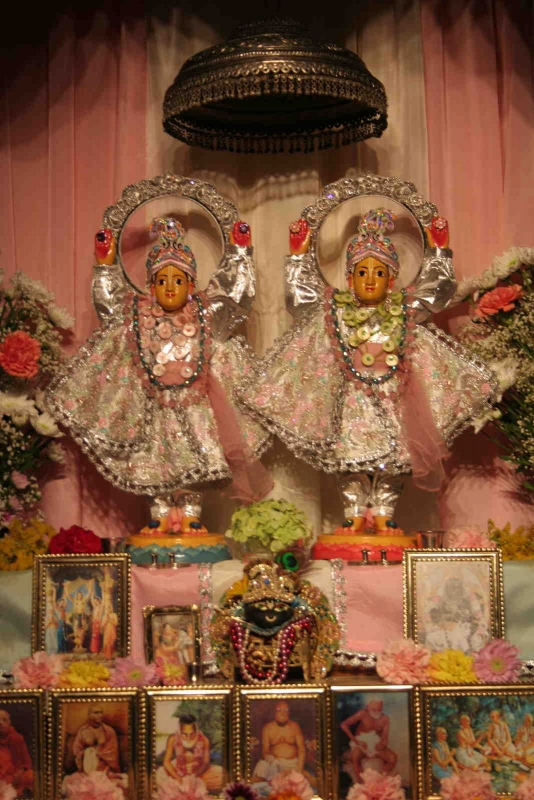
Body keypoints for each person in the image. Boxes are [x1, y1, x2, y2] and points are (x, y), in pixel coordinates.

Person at [243, 209, 496, 529]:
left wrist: (439, 251)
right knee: (350, 463)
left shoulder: (405, 310)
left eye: (379, 273)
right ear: (350, 279)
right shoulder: (335, 310)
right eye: (362, 272)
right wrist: (298, 257)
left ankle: (384, 517)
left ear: (392, 280)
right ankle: (353, 517)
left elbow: (436, 291)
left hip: (395, 402)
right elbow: (303, 298)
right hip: (350, 405)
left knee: (393, 464)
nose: (370, 279)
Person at [46, 217, 271, 531]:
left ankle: (191, 518)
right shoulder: (136, 316)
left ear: (191, 285)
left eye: (178, 280)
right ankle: (160, 517)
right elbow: (110, 304)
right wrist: (105, 266)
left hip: (196, 414)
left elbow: (234, 296)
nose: (170, 287)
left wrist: (240, 253)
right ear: (151, 287)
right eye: (162, 281)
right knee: (155, 465)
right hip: (152, 414)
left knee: (195, 465)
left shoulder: (205, 314)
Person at [157, 713, 222, 791]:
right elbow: (166, 762)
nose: (188, 738)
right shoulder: (173, 739)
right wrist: (177, 778)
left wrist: (195, 775)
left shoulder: (204, 740)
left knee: (222, 775)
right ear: (180, 730)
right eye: (184, 734)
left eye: (191, 734)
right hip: (178, 770)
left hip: (199, 771)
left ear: (196, 730)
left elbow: (206, 762)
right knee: (160, 776)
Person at [340, 699, 397, 782]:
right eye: (374, 709)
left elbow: (385, 738)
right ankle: (362, 783)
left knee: (393, 758)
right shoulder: (362, 714)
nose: (377, 712)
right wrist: (356, 741)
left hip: (375, 742)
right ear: (367, 707)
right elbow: (344, 725)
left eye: (379, 709)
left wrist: (382, 744)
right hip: (360, 741)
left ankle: (379, 779)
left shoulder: (385, 719)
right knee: (355, 757)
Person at [252, 701, 307, 782]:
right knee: (262, 766)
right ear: (274, 713)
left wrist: (299, 768)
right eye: (279, 710)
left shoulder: (295, 726)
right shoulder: (267, 728)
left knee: (301, 779)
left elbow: (301, 749)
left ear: (289, 713)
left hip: (292, 763)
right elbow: (265, 750)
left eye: (285, 710)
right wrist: (267, 756)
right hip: (275, 762)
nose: (282, 713)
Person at [71, 705, 121, 775]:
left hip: (105, 769)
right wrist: (87, 753)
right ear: (89, 715)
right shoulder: (83, 731)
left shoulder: (109, 731)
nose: (99, 715)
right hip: (87, 767)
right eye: (96, 713)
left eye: (101, 712)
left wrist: (99, 754)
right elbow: (77, 750)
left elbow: (113, 753)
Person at [0, 708, 34, 795]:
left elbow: (27, 763)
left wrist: (19, 773)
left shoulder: (17, 738)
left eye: (4, 720)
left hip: (17, 776)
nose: (1, 722)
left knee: (30, 775)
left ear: (9, 722)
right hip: (2, 778)